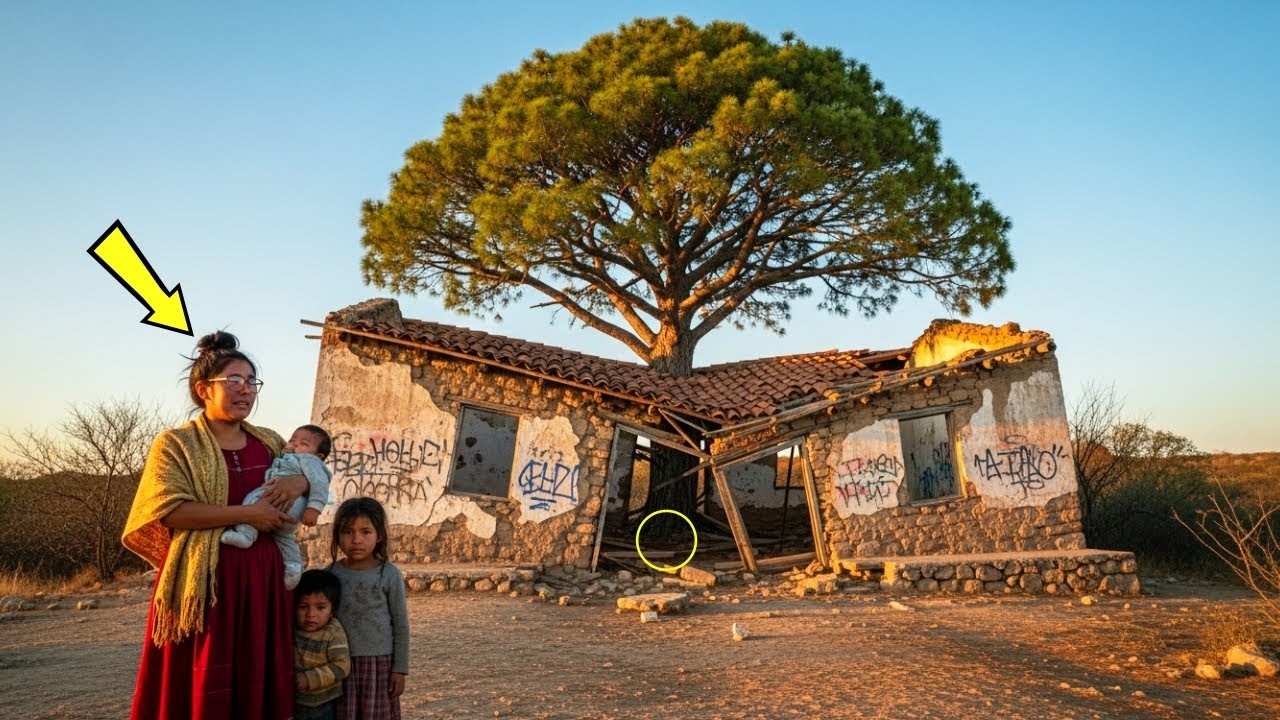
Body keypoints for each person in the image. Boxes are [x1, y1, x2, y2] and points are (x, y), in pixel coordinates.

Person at [122, 331, 307, 720]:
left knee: (258, 680)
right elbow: (169, 512)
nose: (246, 391)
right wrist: (248, 514)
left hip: (263, 583)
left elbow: (310, 472)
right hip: (203, 586)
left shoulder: (270, 442)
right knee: (205, 686)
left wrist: (300, 482)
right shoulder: (175, 444)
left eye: (252, 382)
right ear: (203, 389)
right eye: (234, 381)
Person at [223, 424, 333, 589]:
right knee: (286, 539)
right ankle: (293, 568)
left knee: (253, 498)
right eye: (292, 440)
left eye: (303, 444)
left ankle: (246, 534)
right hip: (288, 514)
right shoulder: (284, 457)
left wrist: (314, 509)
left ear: (318, 455)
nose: (294, 445)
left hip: (288, 504)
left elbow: (320, 483)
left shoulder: (309, 460)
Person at [328, 497, 409, 720]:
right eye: (347, 532)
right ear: (337, 536)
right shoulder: (331, 574)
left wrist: (400, 669)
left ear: (379, 535)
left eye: (365, 532)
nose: (356, 540)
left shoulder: (389, 575)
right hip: (339, 664)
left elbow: (401, 624)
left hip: (379, 666)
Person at [295, 569, 351, 720]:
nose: (311, 614)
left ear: (332, 610)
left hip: (322, 705)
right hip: (293, 702)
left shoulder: (333, 632)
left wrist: (309, 679)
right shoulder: (291, 628)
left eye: (320, 608)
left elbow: (341, 666)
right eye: (303, 607)